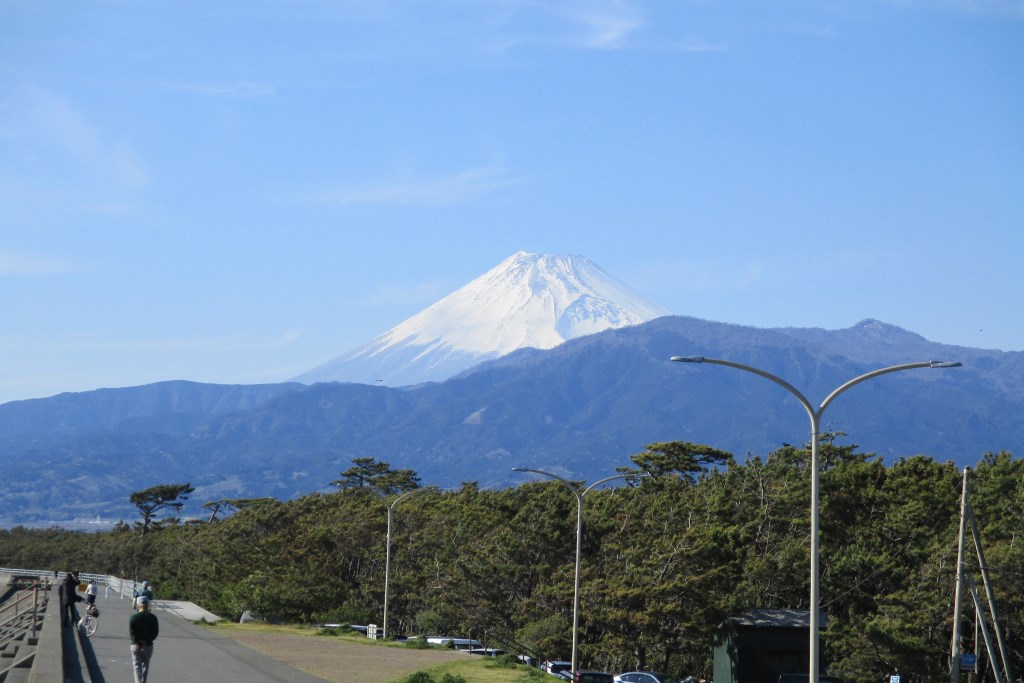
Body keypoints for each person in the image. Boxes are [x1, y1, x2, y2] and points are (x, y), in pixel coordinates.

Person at [129, 595, 159, 683]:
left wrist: (140, 642)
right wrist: (146, 641)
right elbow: (155, 633)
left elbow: (132, 633)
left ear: (138, 605)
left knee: (137, 667)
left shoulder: (133, 618)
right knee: (145, 667)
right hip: (148, 645)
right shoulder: (153, 618)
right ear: (147, 605)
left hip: (136, 645)